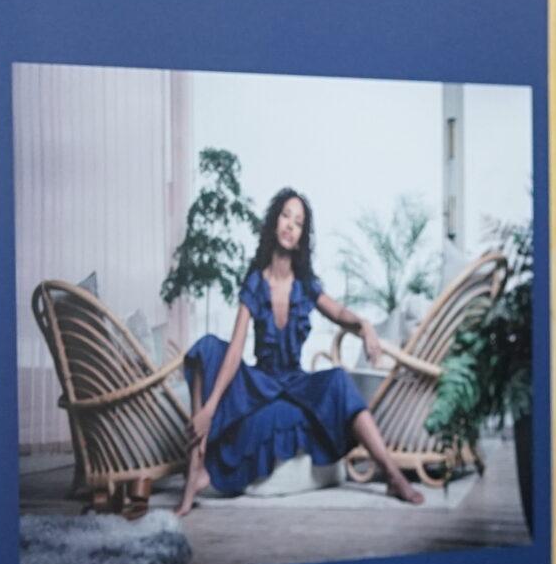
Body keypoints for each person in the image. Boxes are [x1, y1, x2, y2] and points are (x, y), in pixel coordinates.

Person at [178, 188, 424, 513]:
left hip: (295, 381)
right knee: (208, 347)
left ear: (302, 235)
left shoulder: (305, 284)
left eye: (298, 221)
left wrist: (363, 324)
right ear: (274, 222)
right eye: (285, 216)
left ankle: (393, 476)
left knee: (338, 380)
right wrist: (209, 409)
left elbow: (337, 312)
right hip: (261, 381)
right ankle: (196, 474)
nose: (290, 225)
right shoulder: (255, 281)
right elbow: (235, 348)